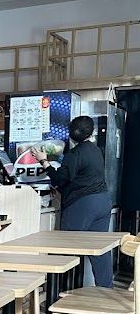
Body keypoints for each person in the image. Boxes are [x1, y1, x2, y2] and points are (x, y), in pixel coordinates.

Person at [35, 115, 113, 288]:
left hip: (84, 204)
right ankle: (107, 290)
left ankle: (62, 291)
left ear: (71, 134)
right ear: (91, 132)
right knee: (100, 250)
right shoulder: (96, 150)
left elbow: (60, 179)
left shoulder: (75, 153)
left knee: (67, 247)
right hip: (103, 200)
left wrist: (43, 161)